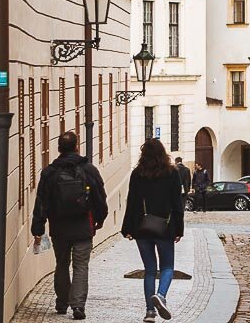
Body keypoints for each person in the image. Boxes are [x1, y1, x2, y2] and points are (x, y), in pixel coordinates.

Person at [30, 131, 108, 320]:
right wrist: (100, 218)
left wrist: (38, 228)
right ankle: (78, 306)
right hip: (83, 226)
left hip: (59, 228)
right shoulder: (88, 170)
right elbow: (99, 195)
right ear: (76, 147)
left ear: (59, 148)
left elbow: (42, 202)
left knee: (62, 264)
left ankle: (62, 302)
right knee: (81, 266)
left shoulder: (50, 172)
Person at [122, 138, 185, 322]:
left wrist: (127, 228)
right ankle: (161, 295)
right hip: (166, 228)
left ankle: (150, 312)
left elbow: (131, 202)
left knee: (149, 270)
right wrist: (179, 229)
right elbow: (177, 203)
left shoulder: (137, 174)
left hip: (142, 228)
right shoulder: (172, 173)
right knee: (167, 267)